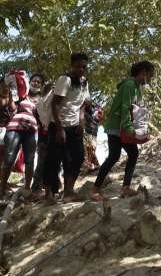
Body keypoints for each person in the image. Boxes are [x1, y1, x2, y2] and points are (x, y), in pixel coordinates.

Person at [90, 61, 154, 201]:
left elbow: (135, 112)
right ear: (143, 72)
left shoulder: (136, 88)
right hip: (117, 127)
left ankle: (125, 187)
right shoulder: (130, 85)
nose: (150, 79)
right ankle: (95, 189)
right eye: (150, 75)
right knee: (114, 156)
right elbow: (126, 108)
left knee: (132, 153)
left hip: (123, 127)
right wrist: (130, 128)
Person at [44, 52, 90, 203]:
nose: (81, 69)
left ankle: (69, 191)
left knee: (77, 158)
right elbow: (54, 104)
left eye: (84, 66)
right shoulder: (65, 80)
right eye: (78, 66)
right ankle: (48, 195)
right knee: (53, 160)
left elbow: (84, 103)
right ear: (72, 65)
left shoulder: (84, 82)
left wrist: (81, 120)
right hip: (58, 126)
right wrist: (59, 129)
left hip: (75, 126)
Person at [0, 75, 38, 198]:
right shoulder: (21, 94)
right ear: (29, 82)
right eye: (34, 80)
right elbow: (11, 108)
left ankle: (27, 189)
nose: (36, 83)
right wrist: (11, 93)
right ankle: (2, 189)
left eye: (39, 81)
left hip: (31, 131)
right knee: (9, 158)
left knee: (29, 160)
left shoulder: (43, 99)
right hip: (14, 128)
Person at [82, 100, 103, 173]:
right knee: (89, 149)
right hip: (87, 132)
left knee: (92, 148)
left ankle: (93, 165)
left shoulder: (96, 110)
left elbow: (100, 119)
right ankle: (91, 166)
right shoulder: (84, 110)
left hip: (93, 132)